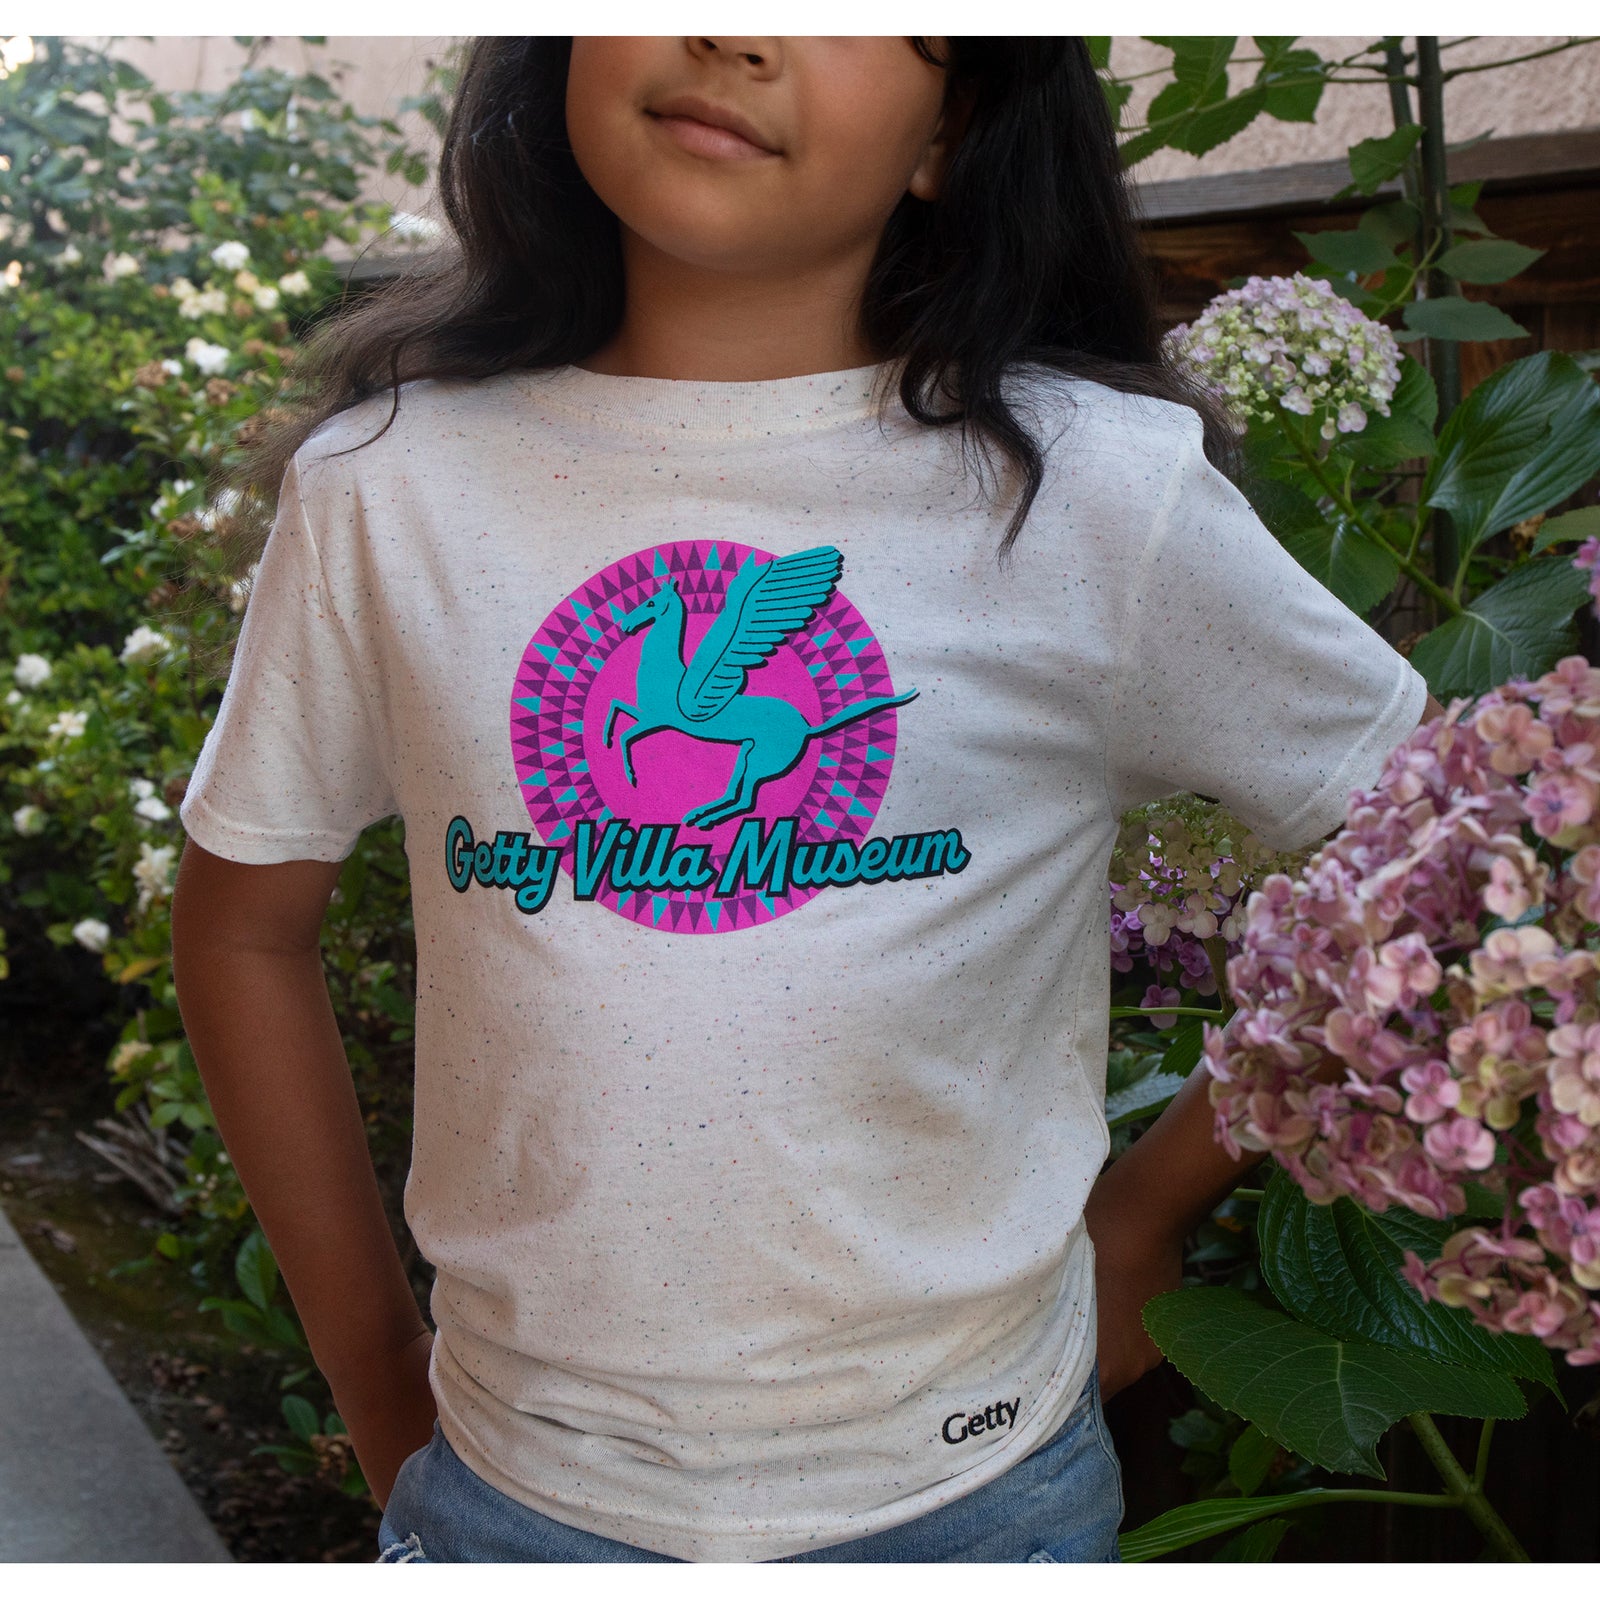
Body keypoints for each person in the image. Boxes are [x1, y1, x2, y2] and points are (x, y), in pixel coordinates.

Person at [169, 37, 1443, 1564]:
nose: (741, 31)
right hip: (507, 1501)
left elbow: (1432, 856)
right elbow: (242, 928)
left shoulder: (1095, 495)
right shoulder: (388, 487)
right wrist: (380, 1377)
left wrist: (1147, 1214)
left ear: (952, 125)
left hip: (979, 1507)